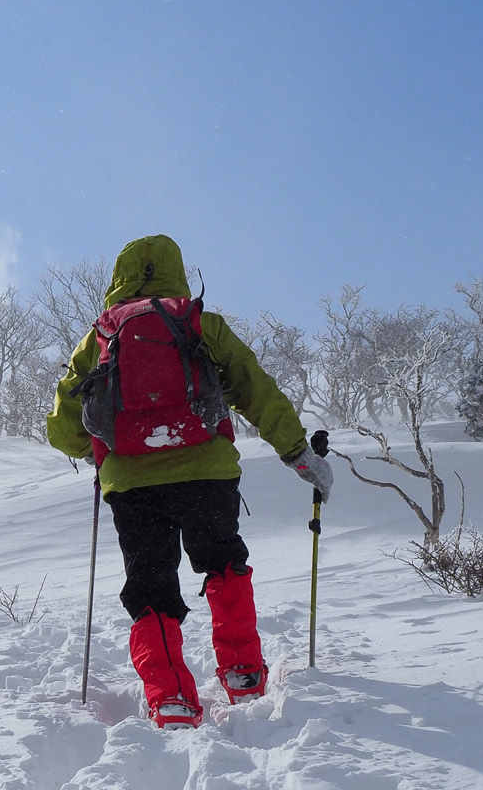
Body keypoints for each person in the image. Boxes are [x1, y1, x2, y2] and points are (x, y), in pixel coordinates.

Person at [46, 234, 332, 728]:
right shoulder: (200, 323)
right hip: (207, 471)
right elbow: (255, 388)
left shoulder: (100, 339)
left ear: (119, 278)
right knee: (223, 562)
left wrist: (105, 453)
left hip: (132, 485)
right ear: (178, 271)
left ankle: (172, 699)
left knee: (151, 582)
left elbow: (63, 428)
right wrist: (295, 451)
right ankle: (242, 672)